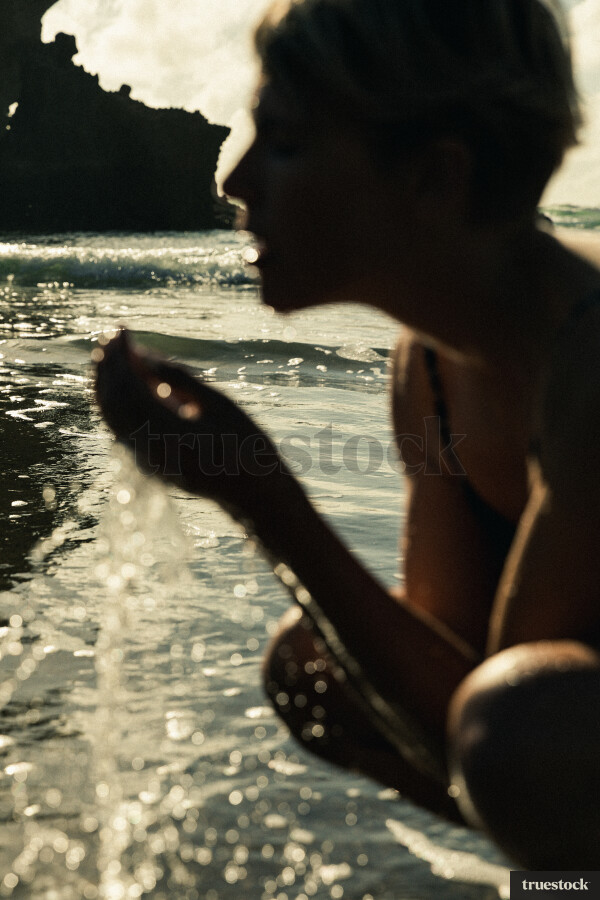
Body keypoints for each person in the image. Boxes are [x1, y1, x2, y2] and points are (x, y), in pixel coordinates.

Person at [96, 0, 600, 869]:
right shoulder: (434, 363)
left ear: (434, 180)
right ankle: (562, 880)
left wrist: (262, 497)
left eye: (285, 143)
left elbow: (490, 730)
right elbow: (443, 679)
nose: (234, 180)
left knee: (521, 727)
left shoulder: (590, 361)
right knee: (317, 671)